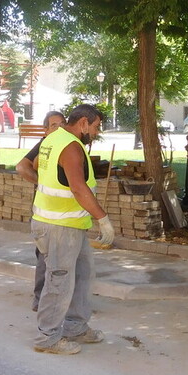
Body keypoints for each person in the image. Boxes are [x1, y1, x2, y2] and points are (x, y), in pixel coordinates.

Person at [31, 104, 115, 355]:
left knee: (83, 275)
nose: (97, 132)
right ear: (83, 123)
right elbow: (78, 188)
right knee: (60, 281)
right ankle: (48, 337)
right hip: (59, 226)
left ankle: (75, 327)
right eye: (96, 126)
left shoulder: (54, 138)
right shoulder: (70, 147)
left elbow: (36, 165)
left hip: (67, 224)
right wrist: (103, 219)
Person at [15, 110, 66, 311]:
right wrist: (41, 183)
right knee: (45, 256)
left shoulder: (66, 145)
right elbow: (21, 167)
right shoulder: (45, 145)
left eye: (62, 123)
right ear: (45, 130)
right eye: (54, 125)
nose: (59, 128)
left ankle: (59, 298)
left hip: (64, 213)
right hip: (45, 211)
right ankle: (39, 298)